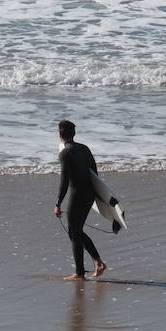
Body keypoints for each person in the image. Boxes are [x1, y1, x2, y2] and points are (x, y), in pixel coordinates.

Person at [53, 119, 107, 280]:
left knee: (74, 232)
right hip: (89, 194)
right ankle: (98, 263)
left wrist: (58, 204)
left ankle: (80, 273)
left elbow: (64, 181)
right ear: (73, 133)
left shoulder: (65, 153)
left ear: (59, 134)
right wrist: (97, 196)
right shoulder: (84, 149)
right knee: (76, 231)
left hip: (77, 195)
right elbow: (94, 174)